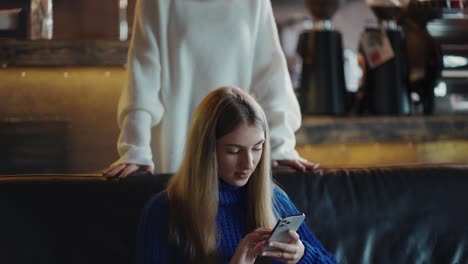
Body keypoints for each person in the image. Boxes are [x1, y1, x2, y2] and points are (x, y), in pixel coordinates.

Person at [103, 0, 317, 178]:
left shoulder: (255, 3)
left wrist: (280, 145)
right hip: (178, 152)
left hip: (238, 156)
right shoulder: (157, 3)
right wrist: (136, 148)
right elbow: (142, 80)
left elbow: (271, 79)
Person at [135, 86, 336, 263]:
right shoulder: (165, 211)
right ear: (206, 151)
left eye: (257, 148)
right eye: (234, 151)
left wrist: (302, 255)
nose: (248, 163)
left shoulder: (274, 199)